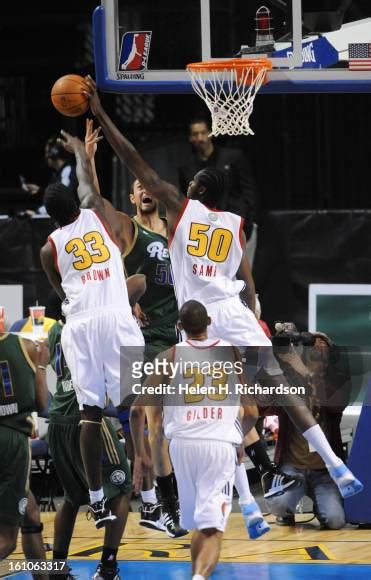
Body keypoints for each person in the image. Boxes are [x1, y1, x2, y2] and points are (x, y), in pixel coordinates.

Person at [83, 74, 363, 503]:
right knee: (280, 391)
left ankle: (215, 500)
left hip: (200, 322)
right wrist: (253, 320)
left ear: (196, 189)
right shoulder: (234, 225)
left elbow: (136, 160)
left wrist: (101, 111)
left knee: (196, 414)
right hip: (234, 310)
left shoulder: (182, 208)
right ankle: (334, 464)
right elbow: (248, 286)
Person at [39, 129, 145, 529]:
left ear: (51, 217)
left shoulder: (49, 246)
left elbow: (60, 290)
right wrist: (84, 152)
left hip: (81, 322)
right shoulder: (96, 212)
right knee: (134, 405)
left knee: (90, 412)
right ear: (76, 204)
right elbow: (87, 181)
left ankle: (97, 500)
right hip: (117, 316)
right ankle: (149, 495)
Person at [85, 119, 185, 538]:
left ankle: (162, 501)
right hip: (138, 339)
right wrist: (89, 160)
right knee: (145, 419)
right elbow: (94, 203)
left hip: (174, 333)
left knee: (162, 426)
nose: (144, 191)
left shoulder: (178, 230)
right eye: (136, 188)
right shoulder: (129, 230)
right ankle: (160, 503)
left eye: (149, 187)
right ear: (131, 196)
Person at [131, 300, 269, 580]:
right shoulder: (228, 353)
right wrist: (238, 437)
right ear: (209, 323)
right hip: (217, 446)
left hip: (181, 447)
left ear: (179, 327)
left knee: (200, 526)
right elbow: (252, 411)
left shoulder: (167, 357)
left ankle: (196, 574)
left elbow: (136, 411)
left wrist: (140, 455)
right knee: (214, 529)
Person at [47, 274, 145, 580]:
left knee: (72, 497)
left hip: (57, 420)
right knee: (123, 488)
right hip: (83, 419)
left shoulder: (56, 334)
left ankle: (56, 567)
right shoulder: (96, 328)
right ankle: (108, 566)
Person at [266, 332, 350, 529]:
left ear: (331, 355)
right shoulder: (289, 379)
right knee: (278, 505)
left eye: (324, 344)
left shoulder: (337, 381)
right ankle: (289, 507)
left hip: (324, 471)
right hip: (292, 468)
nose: (318, 346)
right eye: (314, 342)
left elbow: (336, 406)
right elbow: (266, 406)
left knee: (335, 520)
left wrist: (305, 372)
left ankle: (321, 505)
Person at [0, 331, 49, 571]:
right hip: (11, 443)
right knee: (7, 541)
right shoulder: (27, 345)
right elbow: (42, 404)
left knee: (30, 514)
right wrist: (41, 366)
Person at [178, 117, 258, 242]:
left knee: (243, 261)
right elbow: (188, 200)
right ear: (191, 138)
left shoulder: (233, 157)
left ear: (210, 133)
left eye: (203, 133)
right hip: (206, 230)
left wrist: (248, 221)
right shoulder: (186, 168)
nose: (200, 138)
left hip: (237, 223)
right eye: (195, 134)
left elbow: (249, 191)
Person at [24, 134, 78, 216]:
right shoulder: (58, 174)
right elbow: (55, 196)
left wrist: (37, 213)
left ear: (54, 153)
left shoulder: (68, 171)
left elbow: (60, 199)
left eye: (47, 152)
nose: (46, 156)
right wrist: (40, 191)